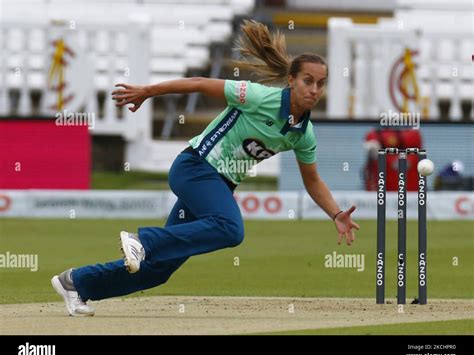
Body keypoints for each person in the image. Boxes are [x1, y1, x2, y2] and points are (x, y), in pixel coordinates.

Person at [51, 20, 360, 316]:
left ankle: (77, 283)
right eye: (308, 81)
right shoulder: (257, 97)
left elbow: (313, 180)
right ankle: (143, 241)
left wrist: (335, 213)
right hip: (195, 167)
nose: (314, 89)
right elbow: (199, 83)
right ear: (291, 81)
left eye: (321, 84)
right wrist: (147, 91)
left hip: (217, 186)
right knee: (230, 228)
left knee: (158, 270)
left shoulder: (302, 134)